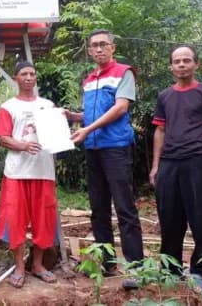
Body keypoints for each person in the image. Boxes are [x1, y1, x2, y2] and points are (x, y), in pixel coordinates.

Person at [67, 29, 144, 290]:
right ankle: (107, 262)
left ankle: (136, 266)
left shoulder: (124, 73)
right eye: (94, 46)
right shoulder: (89, 79)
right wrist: (73, 116)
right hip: (93, 148)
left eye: (103, 45)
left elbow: (120, 107)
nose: (98, 49)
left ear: (113, 47)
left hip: (116, 147)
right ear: (89, 51)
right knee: (98, 209)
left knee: (124, 207)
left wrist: (87, 128)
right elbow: (91, 114)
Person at [150, 45, 202, 293]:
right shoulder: (164, 96)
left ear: (196, 64)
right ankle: (170, 270)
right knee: (169, 219)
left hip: (197, 163)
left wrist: (199, 149)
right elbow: (159, 131)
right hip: (168, 164)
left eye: (186, 60)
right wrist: (155, 166)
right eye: (177, 61)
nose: (181, 65)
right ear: (171, 66)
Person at [0, 61, 58, 288]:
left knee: (43, 220)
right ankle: (19, 267)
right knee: (15, 219)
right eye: (24, 74)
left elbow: (57, 134)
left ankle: (38, 265)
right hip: (17, 172)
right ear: (16, 78)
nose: (29, 77)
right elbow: (2, 137)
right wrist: (23, 146)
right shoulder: (8, 107)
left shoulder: (48, 105)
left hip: (43, 171)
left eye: (32, 73)